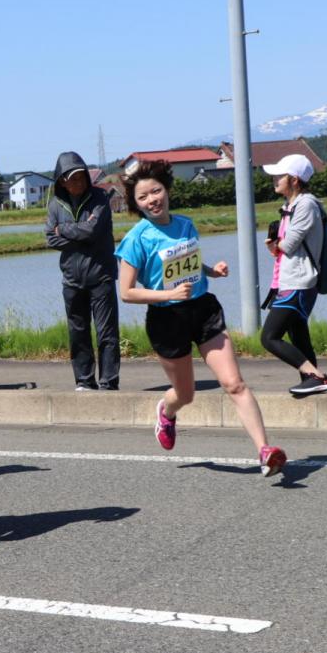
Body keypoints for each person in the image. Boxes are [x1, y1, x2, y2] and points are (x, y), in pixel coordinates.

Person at [114, 159, 287, 477]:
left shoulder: (185, 224)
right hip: (166, 319)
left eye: (157, 190)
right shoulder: (137, 238)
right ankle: (166, 411)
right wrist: (169, 295)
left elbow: (188, 262)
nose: (153, 199)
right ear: (136, 204)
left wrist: (211, 271)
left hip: (203, 309)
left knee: (234, 384)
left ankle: (265, 452)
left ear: (167, 190)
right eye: (144, 197)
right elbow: (126, 292)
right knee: (186, 394)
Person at [45, 151, 120, 391]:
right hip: (71, 279)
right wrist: (80, 233)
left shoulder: (100, 198)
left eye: (82, 176)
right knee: (78, 333)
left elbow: (92, 230)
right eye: (73, 178)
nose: (79, 181)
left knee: (106, 332)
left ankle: (108, 382)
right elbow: (49, 238)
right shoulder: (55, 204)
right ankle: (84, 381)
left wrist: (64, 230)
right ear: (62, 181)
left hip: (101, 275)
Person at [259, 154, 327, 396]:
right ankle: (309, 380)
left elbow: (289, 245)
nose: (274, 179)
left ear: (295, 180)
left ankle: (316, 376)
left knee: (270, 337)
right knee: (299, 335)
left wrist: (277, 244)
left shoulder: (306, 204)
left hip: (300, 281)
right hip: (289, 279)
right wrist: (276, 245)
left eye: (280, 175)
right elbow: (285, 246)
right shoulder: (291, 206)